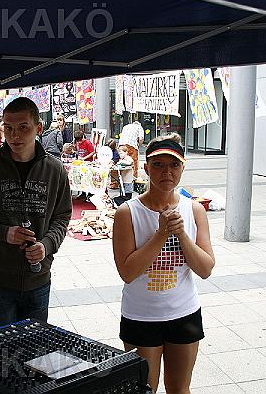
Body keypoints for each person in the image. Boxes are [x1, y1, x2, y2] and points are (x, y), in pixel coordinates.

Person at [112, 133, 215, 393]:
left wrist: (181, 234)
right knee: (144, 389)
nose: (166, 172)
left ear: (182, 168)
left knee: (179, 389)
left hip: (184, 313)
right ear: (146, 168)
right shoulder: (127, 212)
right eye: (158, 164)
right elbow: (127, 272)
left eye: (174, 165)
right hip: (140, 315)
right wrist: (161, 234)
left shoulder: (194, 210)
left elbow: (205, 269)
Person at [0, 97, 72, 331]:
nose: (14, 136)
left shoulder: (55, 169)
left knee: (34, 349)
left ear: (38, 128)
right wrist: (2, 233)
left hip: (38, 279)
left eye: (23, 127)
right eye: (8, 128)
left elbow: (62, 216)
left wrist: (46, 245)